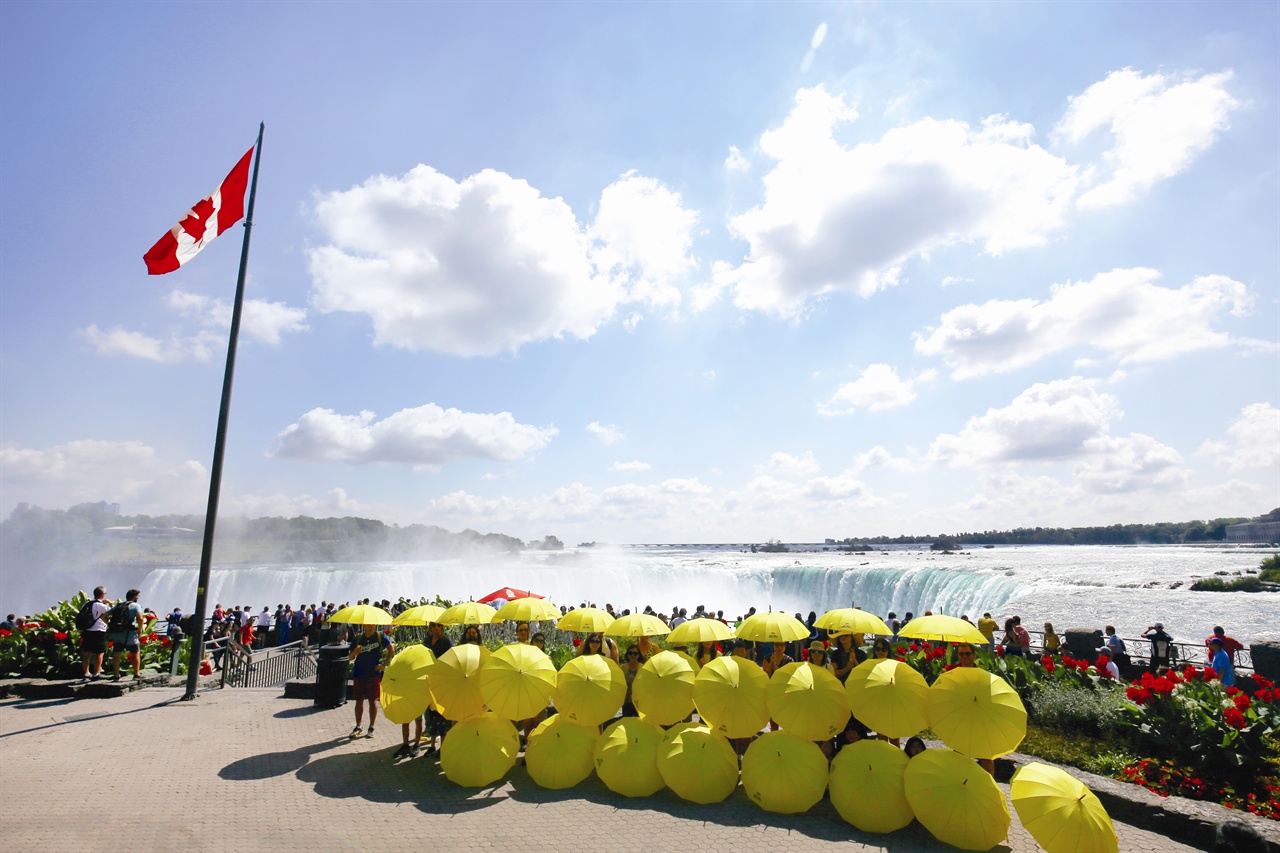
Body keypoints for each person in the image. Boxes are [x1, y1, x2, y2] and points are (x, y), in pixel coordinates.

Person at [954, 642, 995, 776]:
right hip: (961, 720)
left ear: (974, 655)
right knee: (959, 757)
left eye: (967, 654)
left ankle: (990, 788)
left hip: (980, 720)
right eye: (961, 654)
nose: (964, 657)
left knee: (986, 758)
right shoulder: (952, 673)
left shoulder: (983, 675)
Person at [347, 623, 393, 738]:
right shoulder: (358, 638)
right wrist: (354, 653)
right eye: (368, 624)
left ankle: (372, 726)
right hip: (359, 672)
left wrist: (384, 664)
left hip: (373, 673)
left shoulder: (379, 637)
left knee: (372, 701)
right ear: (364, 625)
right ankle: (358, 726)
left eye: (372, 624)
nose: (370, 626)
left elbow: (391, 649)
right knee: (359, 700)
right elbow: (350, 657)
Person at [108, 589, 146, 681]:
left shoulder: (119, 605)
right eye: (138, 596)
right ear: (134, 596)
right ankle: (136, 674)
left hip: (118, 634)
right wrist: (140, 630)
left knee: (117, 654)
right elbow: (140, 618)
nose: (138, 597)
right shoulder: (136, 606)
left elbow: (104, 615)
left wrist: (110, 624)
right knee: (135, 653)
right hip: (130, 634)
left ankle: (116, 675)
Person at [80, 586, 111, 680]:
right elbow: (111, 613)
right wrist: (110, 604)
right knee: (99, 653)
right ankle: (96, 673)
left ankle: (86, 673)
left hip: (87, 630)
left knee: (86, 653)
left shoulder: (86, 604)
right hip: (99, 630)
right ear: (102, 595)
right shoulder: (102, 606)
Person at [620, 643, 644, 717]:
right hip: (626, 700)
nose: (632, 655)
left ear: (639, 655)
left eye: (635, 653)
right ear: (627, 655)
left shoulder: (642, 668)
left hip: (639, 701)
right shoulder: (623, 668)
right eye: (630, 653)